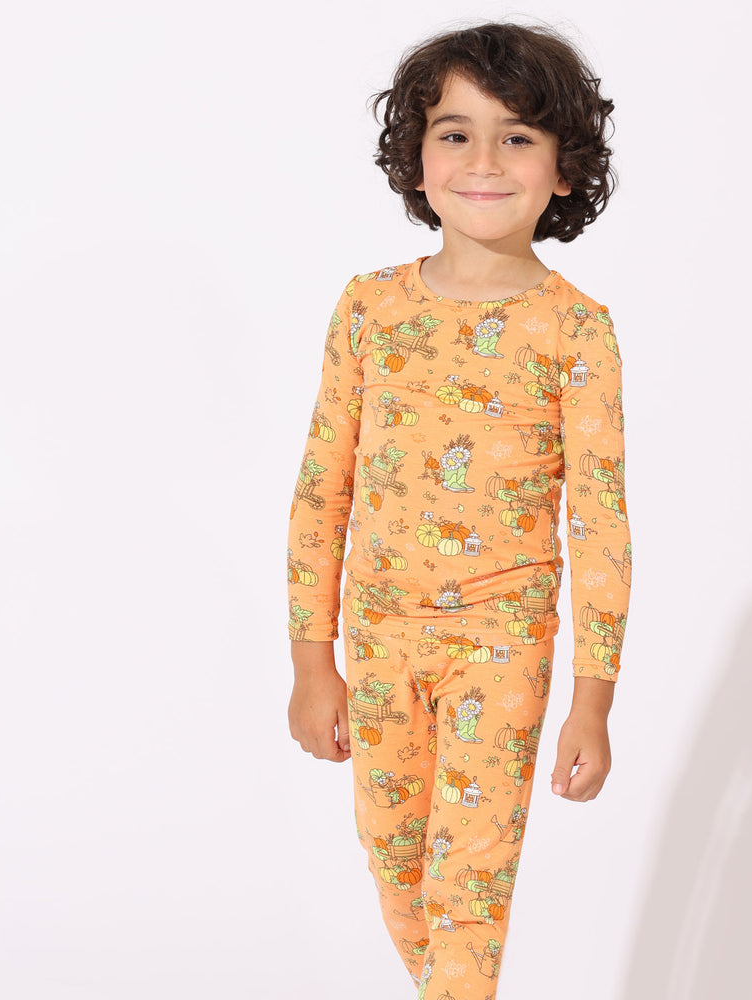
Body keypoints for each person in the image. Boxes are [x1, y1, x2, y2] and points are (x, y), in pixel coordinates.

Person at [285, 20, 631, 998]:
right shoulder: (368, 308)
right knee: (401, 877)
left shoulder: (575, 329)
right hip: (378, 638)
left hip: (501, 641)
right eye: (455, 133)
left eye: (517, 136)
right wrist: (312, 661)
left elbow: (599, 523)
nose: (484, 161)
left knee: (467, 895)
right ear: (417, 156)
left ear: (563, 168)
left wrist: (593, 700)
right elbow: (322, 487)